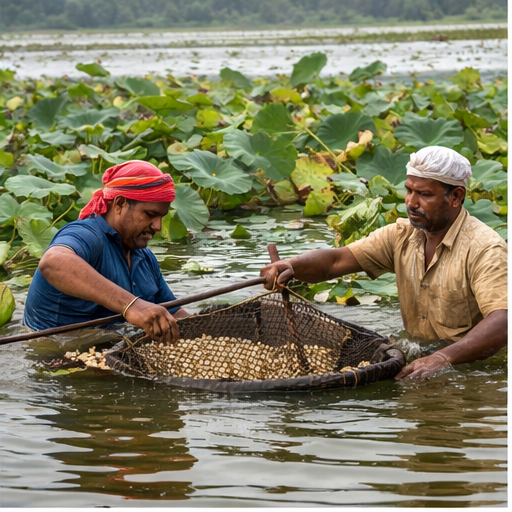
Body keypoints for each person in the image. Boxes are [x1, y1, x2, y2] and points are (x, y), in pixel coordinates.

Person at [260, 146, 507, 379]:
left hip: (472, 368)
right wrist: (293, 266)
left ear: (456, 197)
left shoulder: (484, 248)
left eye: (424, 194)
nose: (411, 202)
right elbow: (334, 261)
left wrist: (441, 358)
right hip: (420, 359)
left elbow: (503, 320)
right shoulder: (400, 236)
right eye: (409, 190)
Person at [23, 160, 187, 344]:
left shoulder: (145, 258)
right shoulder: (87, 235)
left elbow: (175, 314)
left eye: (161, 218)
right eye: (150, 215)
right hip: (59, 362)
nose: (157, 226)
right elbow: (52, 262)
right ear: (119, 204)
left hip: (114, 352)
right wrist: (132, 306)